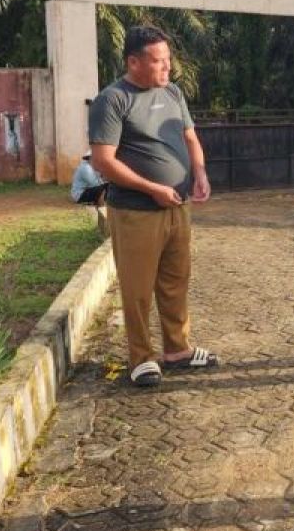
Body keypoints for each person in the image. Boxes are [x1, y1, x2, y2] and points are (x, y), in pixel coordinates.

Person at [88, 26, 218, 388]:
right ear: (134, 62)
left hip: (177, 206)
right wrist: (151, 188)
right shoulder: (112, 100)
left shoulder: (173, 93)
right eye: (158, 61)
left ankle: (177, 350)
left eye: (168, 60)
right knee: (138, 287)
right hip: (136, 211)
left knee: (176, 281)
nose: (167, 68)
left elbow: (189, 136)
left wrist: (200, 173)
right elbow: (103, 161)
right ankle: (141, 358)